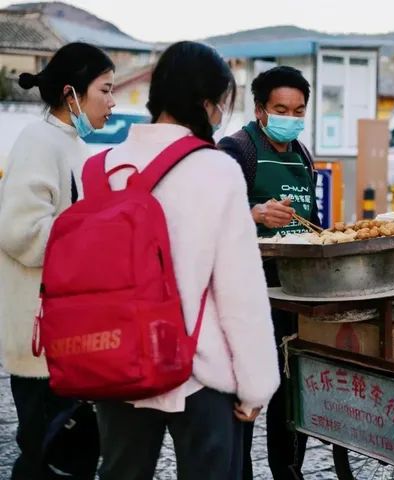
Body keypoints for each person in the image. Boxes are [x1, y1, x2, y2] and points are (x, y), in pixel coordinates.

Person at [90, 41, 280, 480]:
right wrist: (256, 386)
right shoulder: (216, 170)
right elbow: (239, 291)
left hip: (117, 362)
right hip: (201, 371)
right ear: (207, 103)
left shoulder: (100, 168)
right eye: (220, 105)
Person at [0, 42, 116, 480]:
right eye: (105, 90)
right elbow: (20, 231)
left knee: (60, 455)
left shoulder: (66, 142)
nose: (112, 101)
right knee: (49, 457)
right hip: (41, 339)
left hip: (62, 336)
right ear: (72, 94)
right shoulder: (40, 141)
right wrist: (94, 231)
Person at [218, 65, 317, 480]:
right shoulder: (235, 150)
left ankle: (287, 469)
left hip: (295, 289)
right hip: (248, 295)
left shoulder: (301, 155)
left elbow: (311, 219)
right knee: (244, 392)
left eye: (298, 111)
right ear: (260, 109)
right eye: (281, 108)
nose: (290, 118)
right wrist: (254, 212)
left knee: (290, 389)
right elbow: (213, 218)